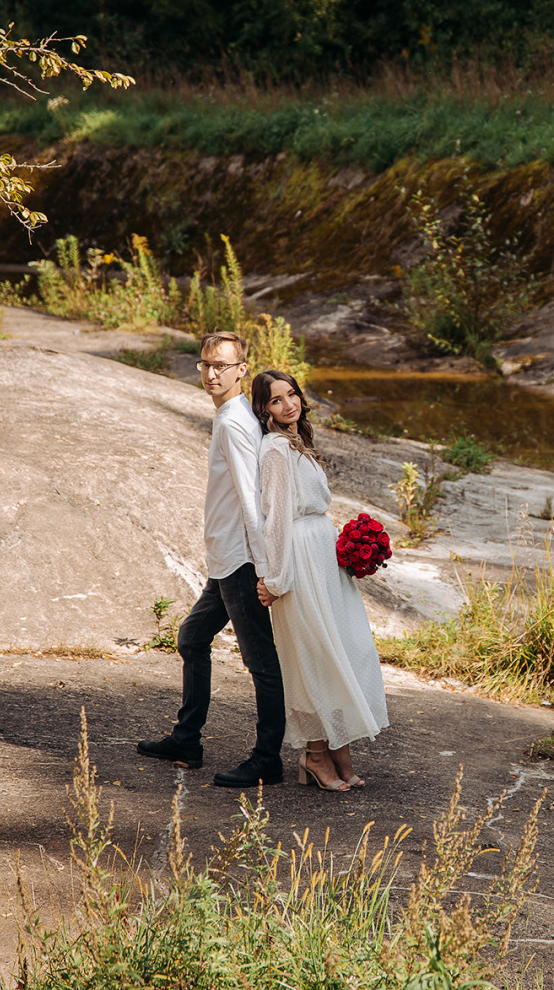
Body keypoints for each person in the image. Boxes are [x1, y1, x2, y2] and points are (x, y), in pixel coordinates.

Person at [137, 331, 286, 787]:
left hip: (241, 559)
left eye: (222, 365)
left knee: (260, 661)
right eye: (205, 365)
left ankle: (267, 759)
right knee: (192, 636)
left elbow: (250, 496)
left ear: (243, 369)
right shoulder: (233, 414)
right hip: (226, 556)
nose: (212, 373)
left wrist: (264, 568)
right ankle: (187, 739)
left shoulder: (235, 422)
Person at [252, 369, 389, 791]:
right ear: (264, 409)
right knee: (311, 656)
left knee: (343, 650)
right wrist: (273, 578)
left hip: (322, 556)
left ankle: (339, 749)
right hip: (298, 560)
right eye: (276, 400)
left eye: (291, 395)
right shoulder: (275, 449)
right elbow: (275, 518)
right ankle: (315, 754)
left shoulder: (298, 442)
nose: (288, 404)